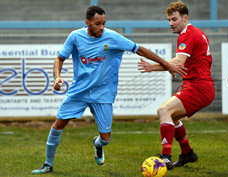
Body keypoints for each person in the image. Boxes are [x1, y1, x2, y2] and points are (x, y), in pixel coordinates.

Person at [31, 6, 185, 174]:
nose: (102, 27)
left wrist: (167, 64)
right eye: (98, 24)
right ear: (87, 23)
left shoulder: (112, 37)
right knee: (57, 126)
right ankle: (48, 164)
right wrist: (57, 77)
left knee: (106, 139)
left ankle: (97, 144)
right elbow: (59, 58)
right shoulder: (75, 37)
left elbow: (140, 49)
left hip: (103, 94)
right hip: (78, 92)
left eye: (104, 23)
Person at [138, 0, 215, 170]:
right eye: (169, 20)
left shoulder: (187, 34)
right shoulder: (198, 32)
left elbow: (178, 62)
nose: (171, 23)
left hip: (199, 87)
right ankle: (187, 153)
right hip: (198, 85)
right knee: (172, 117)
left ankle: (165, 158)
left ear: (185, 18)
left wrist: (153, 67)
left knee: (163, 110)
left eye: (174, 19)